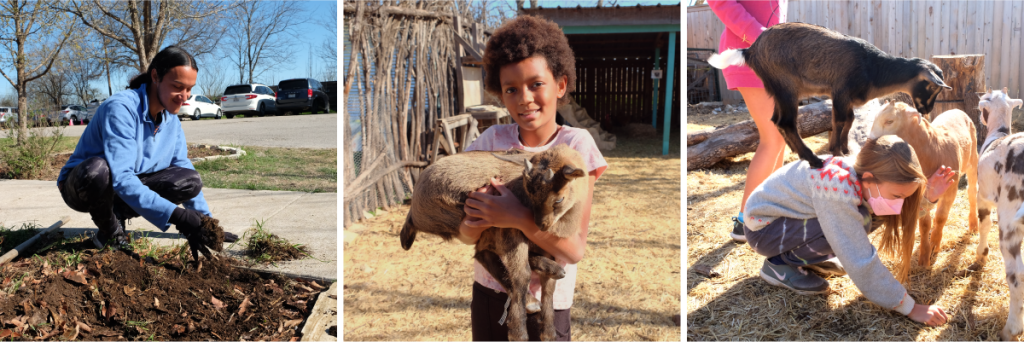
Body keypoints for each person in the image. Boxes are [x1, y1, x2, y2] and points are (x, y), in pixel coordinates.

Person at [455, 15, 607, 342]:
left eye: (536, 84)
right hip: (489, 295)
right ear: (500, 93)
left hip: (547, 308)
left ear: (561, 84)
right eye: (511, 89)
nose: (524, 98)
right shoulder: (490, 142)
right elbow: (467, 236)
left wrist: (516, 216)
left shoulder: (577, 149)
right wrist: (477, 219)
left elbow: (573, 250)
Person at [742, 135, 955, 327]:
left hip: (789, 223)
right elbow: (857, 256)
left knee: (864, 218)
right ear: (871, 178)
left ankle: (807, 258)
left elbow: (881, 218)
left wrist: (928, 198)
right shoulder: (838, 188)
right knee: (858, 223)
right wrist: (909, 306)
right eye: (897, 196)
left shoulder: (862, 177)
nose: (899, 205)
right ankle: (779, 264)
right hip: (764, 230)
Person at [56, 45, 236, 260]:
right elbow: (122, 176)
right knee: (98, 170)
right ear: (155, 76)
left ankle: (117, 215)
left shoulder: (171, 119)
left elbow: (182, 166)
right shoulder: (121, 108)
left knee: (190, 180)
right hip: (83, 185)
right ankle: (111, 233)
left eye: (189, 88)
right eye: (178, 86)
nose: (185, 96)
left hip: (121, 188)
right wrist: (178, 216)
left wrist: (205, 223)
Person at [706, 0, 788, 243]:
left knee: (781, 137)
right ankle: (745, 222)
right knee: (772, 139)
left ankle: (770, 208)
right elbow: (720, 2)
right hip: (748, 56)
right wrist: (760, 37)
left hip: (773, 60)